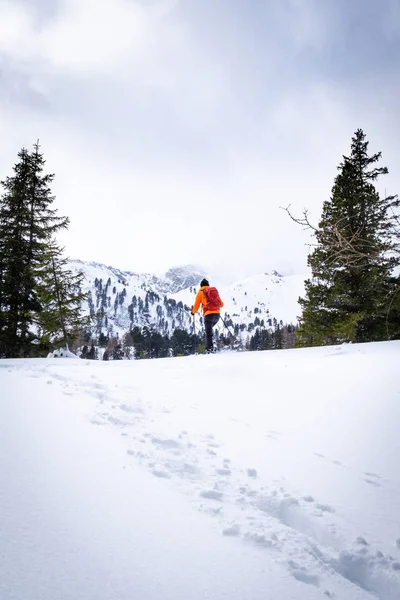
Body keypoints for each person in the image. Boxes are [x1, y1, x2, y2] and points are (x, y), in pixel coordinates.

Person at [191, 279, 224, 353]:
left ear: (201, 286)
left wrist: (193, 312)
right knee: (209, 330)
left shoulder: (200, 293)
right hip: (217, 315)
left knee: (208, 332)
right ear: (208, 285)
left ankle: (209, 349)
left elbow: (196, 305)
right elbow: (221, 304)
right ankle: (212, 344)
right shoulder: (213, 292)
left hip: (208, 315)